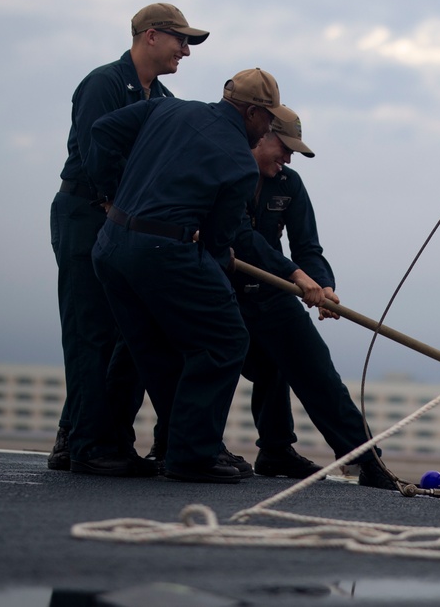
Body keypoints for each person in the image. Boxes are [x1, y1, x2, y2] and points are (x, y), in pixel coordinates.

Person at [87, 69, 325, 483]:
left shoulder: (167, 109)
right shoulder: (239, 162)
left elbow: (103, 130)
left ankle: (172, 448)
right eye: (268, 121)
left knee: (153, 348)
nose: (268, 129)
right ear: (252, 113)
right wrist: (213, 280)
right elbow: (219, 242)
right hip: (165, 251)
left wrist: (111, 193)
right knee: (227, 338)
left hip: (110, 248)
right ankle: (193, 455)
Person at [49, 3, 208, 476]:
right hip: (87, 214)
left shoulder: (162, 97)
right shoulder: (103, 83)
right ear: (151, 36)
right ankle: (91, 447)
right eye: (181, 40)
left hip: (123, 222)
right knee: (89, 331)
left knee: (122, 336)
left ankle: (82, 439)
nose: (186, 50)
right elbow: (96, 153)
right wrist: (122, 204)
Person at [237, 112, 398, 490]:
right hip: (223, 290)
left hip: (273, 292)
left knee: (317, 370)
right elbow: (242, 238)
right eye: (285, 149)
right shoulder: (229, 172)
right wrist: (296, 276)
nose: (288, 160)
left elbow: (307, 247)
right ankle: (187, 449)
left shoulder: (290, 184)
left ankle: (365, 460)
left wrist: (323, 287)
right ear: (262, 135)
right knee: (223, 367)